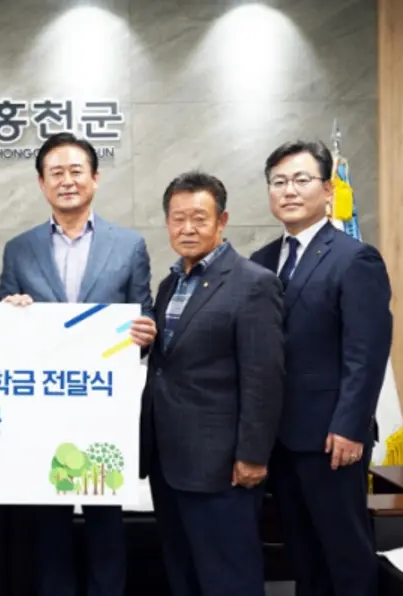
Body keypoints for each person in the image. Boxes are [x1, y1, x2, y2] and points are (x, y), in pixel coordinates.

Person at [0, 132, 155, 596]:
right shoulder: (19, 248)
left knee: (106, 523)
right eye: (56, 173)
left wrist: (143, 335)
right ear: (42, 184)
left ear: (95, 178)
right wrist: (10, 311)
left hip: (104, 413)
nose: (67, 181)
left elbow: (143, 318)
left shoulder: (129, 245)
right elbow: (3, 329)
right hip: (42, 412)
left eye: (76, 171)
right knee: (49, 528)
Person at [250, 140, 392, 596]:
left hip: (332, 439)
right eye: (279, 182)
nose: (289, 190)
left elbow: (366, 352)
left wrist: (349, 426)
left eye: (301, 180)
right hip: (278, 438)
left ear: (328, 190)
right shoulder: (260, 262)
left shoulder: (355, 258)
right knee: (302, 554)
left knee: (344, 552)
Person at [139, 171, 284, 596]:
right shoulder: (169, 283)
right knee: (182, 573)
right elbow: (171, 363)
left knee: (228, 578)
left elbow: (264, 378)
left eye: (199, 218)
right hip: (169, 461)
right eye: (178, 218)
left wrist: (252, 456)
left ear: (222, 221)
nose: (187, 228)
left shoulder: (253, 283)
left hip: (222, 467)